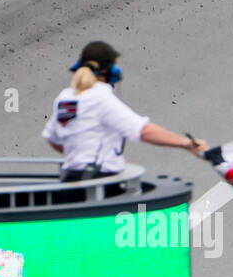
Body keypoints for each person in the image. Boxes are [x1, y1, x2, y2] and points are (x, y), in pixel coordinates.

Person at [42, 40, 208, 190]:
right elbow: (143, 131)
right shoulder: (101, 98)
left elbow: (53, 138)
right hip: (101, 186)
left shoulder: (65, 97)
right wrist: (186, 143)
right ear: (112, 71)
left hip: (70, 182)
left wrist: (79, 155)